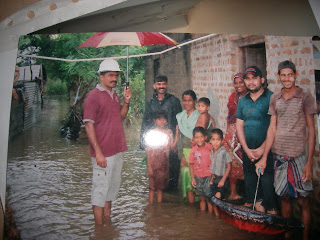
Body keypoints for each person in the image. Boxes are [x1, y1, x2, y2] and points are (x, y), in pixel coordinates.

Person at [256, 60, 316, 240]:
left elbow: (312, 130)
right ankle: (288, 235)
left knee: (303, 200)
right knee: (284, 198)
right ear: (278, 76)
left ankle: (305, 236)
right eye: (283, 75)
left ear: (295, 75)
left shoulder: (305, 97)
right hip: (279, 155)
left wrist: (309, 162)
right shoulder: (275, 98)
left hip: (298, 156)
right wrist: (264, 156)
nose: (287, 78)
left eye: (290, 75)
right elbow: (272, 128)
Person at [83, 58, 132, 225]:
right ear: (101, 76)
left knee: (112, 188)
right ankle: (99, 229)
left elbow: (120, 117)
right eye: (111, 75)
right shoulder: (93, 97)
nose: (115, 79)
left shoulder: (115, 95)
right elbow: (89, 126)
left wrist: (126, 101)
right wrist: (98, 153)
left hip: (117, 149)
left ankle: (107, 222)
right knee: (99, 190)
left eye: (116, 75)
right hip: (103, 152)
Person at [236, 66, 277, 214]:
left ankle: (274, 228)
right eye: (247, 79)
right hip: (248, 153)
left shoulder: (271, 97)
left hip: (267, 152)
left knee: (268, 192)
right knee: (254, 194)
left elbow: (274, 126)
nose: (251, 82)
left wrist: (262, 150)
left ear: (262, 80)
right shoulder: (242, 101)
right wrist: (246, 150)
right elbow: (239, 126)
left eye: (254, 78)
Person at [140, 75, 182, 191]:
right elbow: (146, 122)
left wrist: (176, 141)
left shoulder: (174, 101)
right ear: (154, 86)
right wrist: (143, 143)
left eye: (163, 84)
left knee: (172, 165)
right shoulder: (151, 103)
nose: (161, 86)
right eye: (159, 84)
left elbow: (179, 122)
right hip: (155, 140)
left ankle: (171, 194)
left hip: (169, 139)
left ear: (167, 85)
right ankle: (158, 192)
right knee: (155, 165)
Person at [145, 110, 178, 205]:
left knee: (161, 188)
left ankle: (158, 210)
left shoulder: (168, 132)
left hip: (164, 163)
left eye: (164, 119)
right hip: (154, 162)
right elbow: (148, 151)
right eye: (159, 119)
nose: (162, 121)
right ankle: (151, 208)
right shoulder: (152, 133)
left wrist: (175, 134)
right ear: (155, 121)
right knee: (152, 188)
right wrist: (149, 167)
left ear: (167, 121)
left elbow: (173, 148)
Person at [223, 73, 246, 201]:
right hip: (233, 133)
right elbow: (230, 117)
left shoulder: (250, 97)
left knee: (247, 161)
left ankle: (250, 195)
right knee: (233, 162)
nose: (238, 85)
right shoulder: (233, 97)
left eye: (241, 82)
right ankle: (233, 193)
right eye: (236, 83)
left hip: (247, 131)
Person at [176, 90, 200, 203]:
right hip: (185, 152)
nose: (187, 103)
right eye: (184, 100)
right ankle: (191, 210)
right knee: (187, 179)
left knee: (198, 179)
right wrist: (181, 156)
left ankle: (199, 211)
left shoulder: (200, 116)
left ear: (195, 101)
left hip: (198, 153)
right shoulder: (180, 117)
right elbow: (179, 139)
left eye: (190, 100)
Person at [189, 126, 213, 212]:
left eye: (201, 137)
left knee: (209, 198)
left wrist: (213, 176)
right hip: (198, 177)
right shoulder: (193, 150)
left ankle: (210, 217)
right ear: (194, 139)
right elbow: (191, 164)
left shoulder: (210, 148)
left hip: (209, 176)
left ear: (205, 137)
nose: (199, 139)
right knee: (201, 198)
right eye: (196, 137)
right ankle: (203, 216)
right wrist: (192, 178)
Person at [209, 128, 231, 216]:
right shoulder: (210, 152)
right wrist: (211, 179)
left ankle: (219, 217)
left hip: (222, 179)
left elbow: (229, 167)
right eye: (213, 140)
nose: (215, 142)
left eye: (218, 140)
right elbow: (212, 168)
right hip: (214, 179)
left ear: (222, 141)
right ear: (210, 140)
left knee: (217, 198)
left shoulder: (224, 152)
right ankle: (216, 218)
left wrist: (223, 180)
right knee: (213, 200)